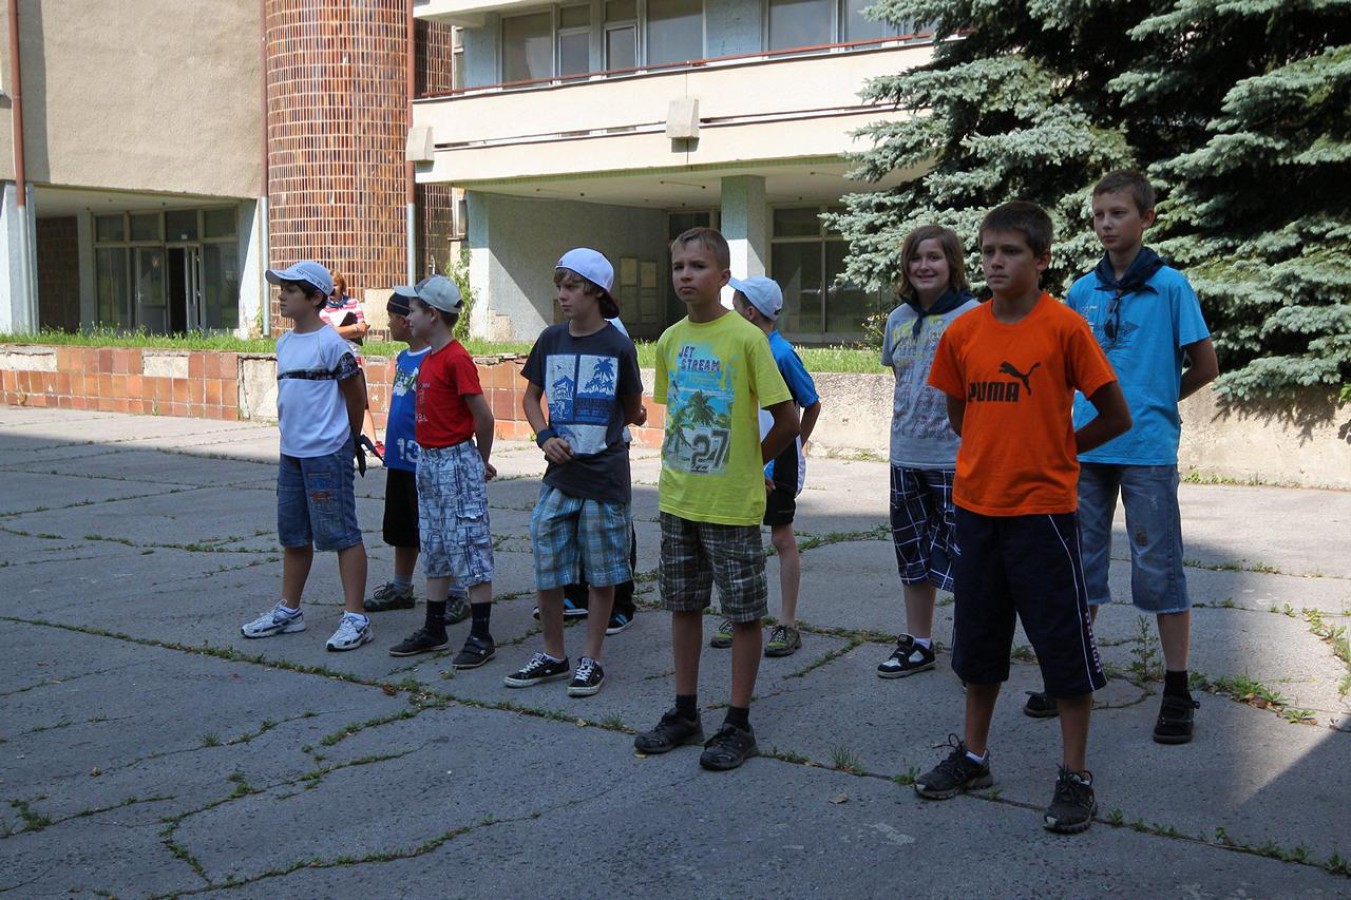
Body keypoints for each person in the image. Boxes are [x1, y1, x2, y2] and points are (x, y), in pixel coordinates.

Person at [916, 202, 1132, 834]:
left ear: (1041, 259)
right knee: (978, 643)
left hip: (1043, 517)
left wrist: (1062, 450)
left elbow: (1115, 414)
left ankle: (1075, 775)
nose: (996, 262)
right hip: (976, 510)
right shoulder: (964, 331)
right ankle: (973, 756)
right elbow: (961, 415)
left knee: (1063, 647)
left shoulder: (1064, 327)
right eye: (988, 251)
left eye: (1010, 251)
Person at [1023, 171, 1218, 743]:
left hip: (1147, 449)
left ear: (1146, 218)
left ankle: (1177, 689)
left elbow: (1205, 365)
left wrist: (1157, 400)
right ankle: (1073, 673)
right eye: (1098, 215)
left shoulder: (1171, 287)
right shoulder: (1082, 291)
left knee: (1159, 564)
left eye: (1118, 213)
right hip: (1085, 447)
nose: (1106, 224)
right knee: (1078, 564)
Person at [633, 227, 799, 771]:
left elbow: (787, 418)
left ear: (724, 277)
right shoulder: (670, 340)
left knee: (744, 613)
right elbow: (677, 413)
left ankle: (737, 721)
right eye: (679, 266)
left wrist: (753, 464)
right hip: (679, 499)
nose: (686, 275)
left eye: (698, 266)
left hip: (730, 505)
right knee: (683, 606)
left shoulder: (747, 339)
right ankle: (685, 712)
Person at [505, 248, 645, 697]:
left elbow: (631, 410)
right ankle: (553, 654)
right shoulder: (551, 340)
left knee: (602, 572)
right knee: (547, 560)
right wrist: (545, 436)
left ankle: (592, 658)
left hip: (604, 477)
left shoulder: (618, 346)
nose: (562, 295)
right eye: (560, 287)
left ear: (597, 292)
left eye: (572, 287)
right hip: (560, 477)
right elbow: (530, 399)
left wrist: (627, 419)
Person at [240, 260, 372, 652]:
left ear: (315, 298)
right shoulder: (284, 344)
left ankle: (356, 618)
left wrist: (349, 440)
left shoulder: (332, 344)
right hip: (292, 455)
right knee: (294, 535)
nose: (281, 296)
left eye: (291, 290)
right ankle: (289, 611)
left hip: (327, 454)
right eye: (281, 289)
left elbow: (356, 396)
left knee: (341, 533)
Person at [876, 226, 980, 678]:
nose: (924, 266)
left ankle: (972, 646)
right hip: (906, 455)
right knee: (912, 552)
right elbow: (904, 382)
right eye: (916, 258)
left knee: (968, 556)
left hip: (957, 458)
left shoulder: (974, 316)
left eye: (934, 257)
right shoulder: (897, 319)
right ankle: (918, 641)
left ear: (952, 264)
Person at [386, 275, 499, 666]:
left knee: (469, 543)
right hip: (429, 462)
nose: (408, 317)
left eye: (413, 310)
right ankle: (434, 628)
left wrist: (479, 460)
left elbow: (483, 418)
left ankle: (481, 635)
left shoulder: (455, 358)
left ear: (432, 315)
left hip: (454, 460)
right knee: (434, 543)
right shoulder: (431, 358)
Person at [719, 275, 821, 658]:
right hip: (744, 458)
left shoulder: (780, 353)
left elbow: (811, 403)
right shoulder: (739, 348)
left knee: (781, 538)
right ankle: (739, 615)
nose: (729, 310)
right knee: (739, 539)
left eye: (735, 305)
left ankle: (787, 622)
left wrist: (794, 447)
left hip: (776, 463)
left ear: (749, 312)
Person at [364, 289, 470, 631]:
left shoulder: (435, 357)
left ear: (405, 320)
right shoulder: (404, 357)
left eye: (394, 317)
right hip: (400, 457)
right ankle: (401, 586)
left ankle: (456, 592)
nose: (391, 323)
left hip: (426, 458)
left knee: (439, 529)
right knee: (402, 527)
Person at [321, 273, 381, 458]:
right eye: (328, 286)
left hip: (353, 359)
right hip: (333, 361)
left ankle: (373, 443)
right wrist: (353, 328)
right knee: (336, 404)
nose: (332, 289)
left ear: (342, 286)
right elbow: (329, 333)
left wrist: (346, 330)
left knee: (362, 402)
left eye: (335, 285)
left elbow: (363, 329)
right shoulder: (321, 308)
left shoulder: (353, 303)